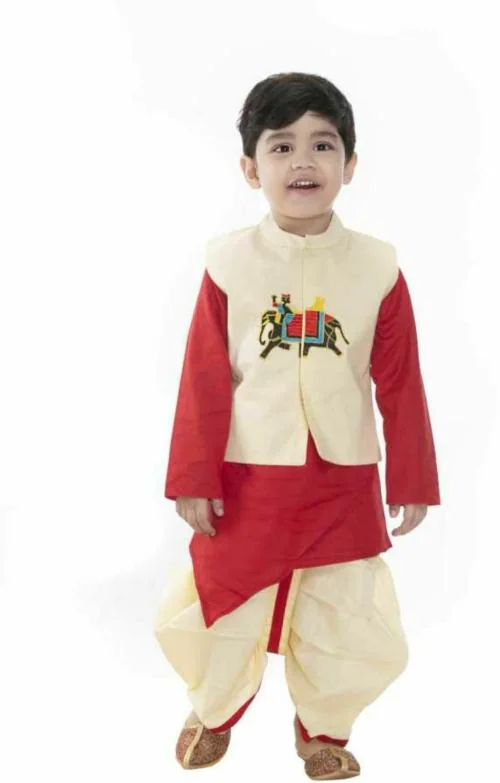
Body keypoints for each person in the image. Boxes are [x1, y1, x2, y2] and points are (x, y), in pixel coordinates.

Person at [154, 71, 441, 780]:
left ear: (351, 163)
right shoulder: (229, 264)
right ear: (251, 168)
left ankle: (323, 728)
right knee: (226, 596)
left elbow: (400, 380)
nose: (303, 161)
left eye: (323, 144)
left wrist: (412, 479)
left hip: (342, 474)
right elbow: (203, 379)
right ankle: (213, 707)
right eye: (281, 147)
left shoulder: (377, 268)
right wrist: (193, 476)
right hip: (248, 469)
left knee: (343, 609)